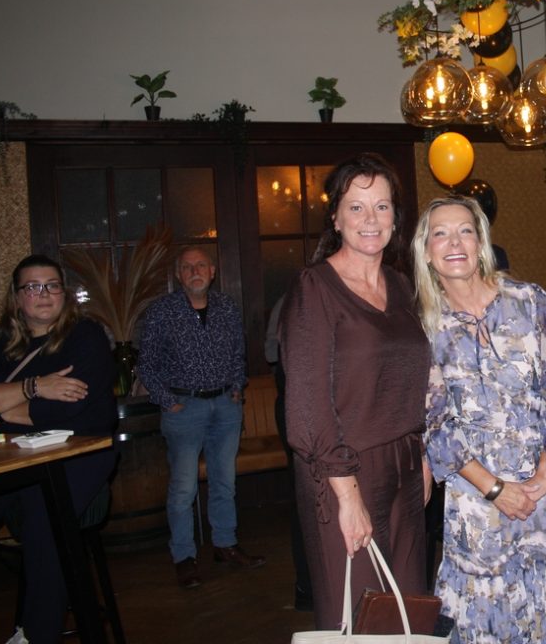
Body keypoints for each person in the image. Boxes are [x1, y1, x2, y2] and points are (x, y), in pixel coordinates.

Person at [414, 196, 546, 643]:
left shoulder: (529, 300)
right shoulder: (422, 325)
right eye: (441, 233)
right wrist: (495, 489)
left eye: (465, 230)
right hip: (475, 493)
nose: (454, 242)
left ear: (480, 241)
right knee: (488, 613)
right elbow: (435, 423)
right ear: (426, 251)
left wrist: (545, 473)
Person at [279, 154, 431, 630]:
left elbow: (418, 381)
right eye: (357, 207)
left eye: (382, 207)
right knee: (357, 617)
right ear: (336, 218)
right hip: (344, 469)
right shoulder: (314, 288)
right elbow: (307, 407)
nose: (371, 219)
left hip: (408, 465)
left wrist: (424, 457)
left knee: (408, 613)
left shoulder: (401, 286)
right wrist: (347, 495)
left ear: (395, 218)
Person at [0, 254, 118, 644]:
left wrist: (2, 409)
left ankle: (36, 635)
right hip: (12, 453)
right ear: (16, 297)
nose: (43, 294)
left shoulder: (86, 336)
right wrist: (37, 387)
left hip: (80, 452)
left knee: (46, 519)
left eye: (52, 285)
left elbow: (77, 409)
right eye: (32, 287)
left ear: (64, 294)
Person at [139, 246, 263, 590]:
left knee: (225, 482)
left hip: (225, 406)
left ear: (212, 271)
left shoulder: (227, 307)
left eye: (201, 265)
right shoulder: (162, 312)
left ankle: (225, 544)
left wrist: (236, 388)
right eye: (187, 267)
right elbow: (146, 364)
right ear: (179, 275)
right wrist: (168, 401)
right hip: (184, 409)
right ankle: (184, 557)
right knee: (183, 488)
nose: (195, 271)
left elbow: (238, 353)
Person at [265, 294, 313, 612]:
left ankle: (313, 589)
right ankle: (308, 588)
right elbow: (272, 353)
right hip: (299, 406)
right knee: (306, 498)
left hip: (311, 406)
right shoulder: (292, 299)